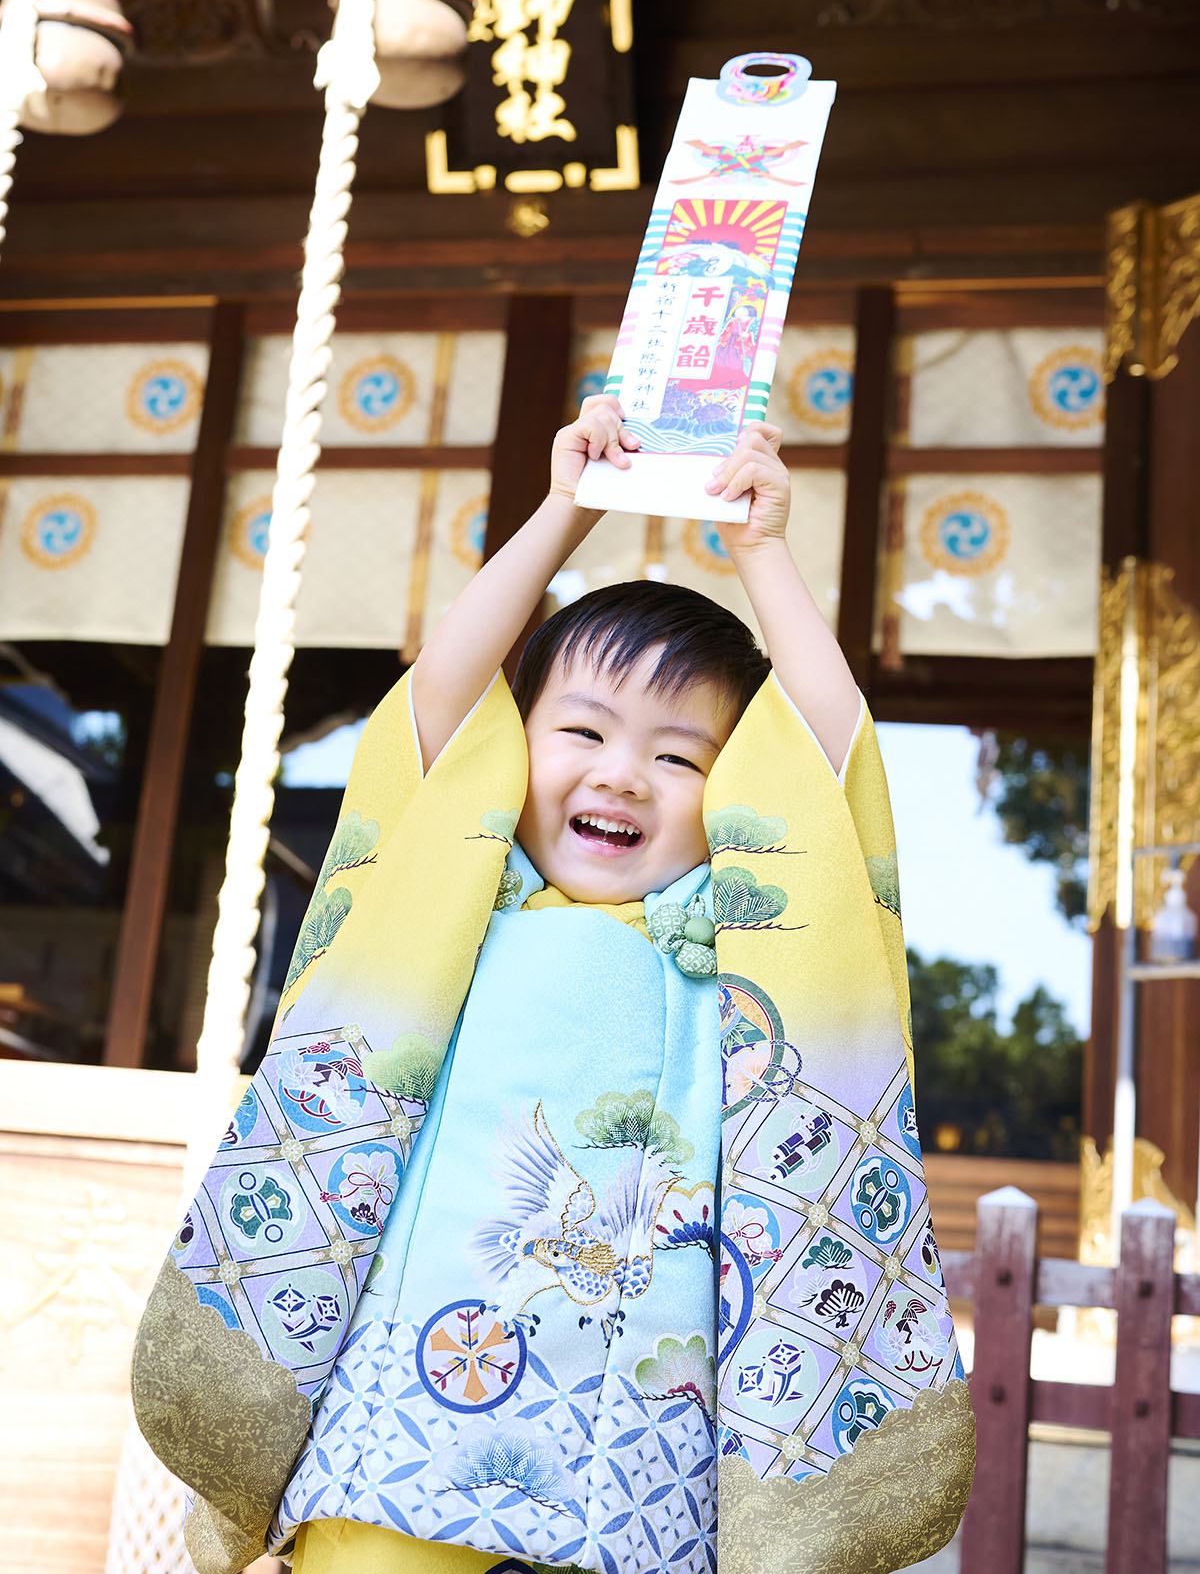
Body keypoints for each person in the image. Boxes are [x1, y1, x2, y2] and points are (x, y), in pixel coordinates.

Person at [133, 398, 974, 1574]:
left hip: (642, 1442)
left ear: (737, 796)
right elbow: (436, 695)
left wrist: (764, 553)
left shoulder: (736, 953)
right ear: (512, 747)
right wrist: (563, 512)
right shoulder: (459, 903)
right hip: (410, 1411)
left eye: (680, 755)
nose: (623, 774)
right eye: (581, 731)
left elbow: (837, 772)